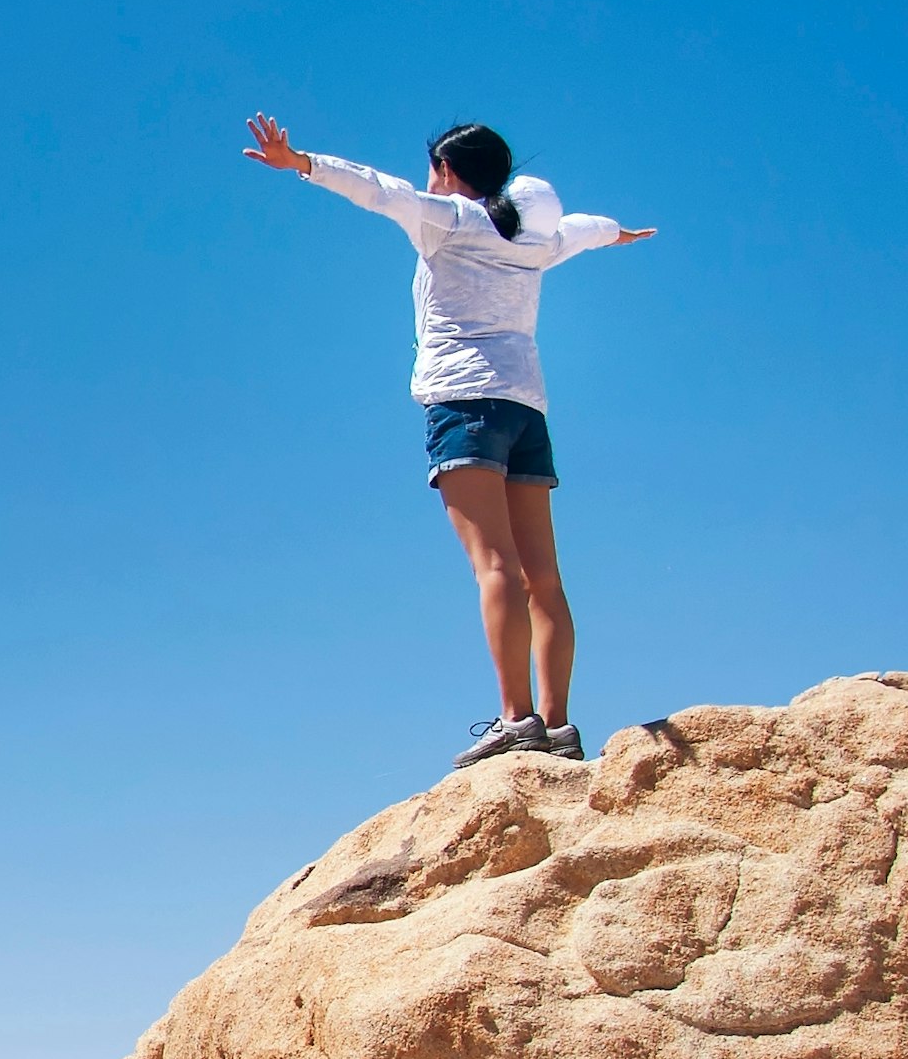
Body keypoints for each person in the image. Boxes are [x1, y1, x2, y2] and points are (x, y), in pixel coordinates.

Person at [242, 112, 655, 766]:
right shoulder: (534, 239)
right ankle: (558, 725)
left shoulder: (449, 220)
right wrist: (618, 234)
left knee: (495, 567)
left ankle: (515, 721)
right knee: (543, 578)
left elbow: (378, 189)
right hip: (527, 410)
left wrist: (301, 164)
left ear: (446, 173)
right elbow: (583, 229)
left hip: (465, 403)